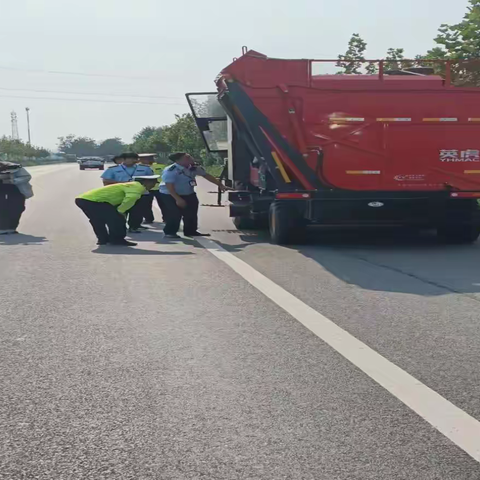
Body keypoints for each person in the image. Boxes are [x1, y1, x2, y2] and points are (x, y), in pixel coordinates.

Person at [75, 175, 160, 246]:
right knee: (117, 219)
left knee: (97, 220)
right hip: (94, 201)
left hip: (83, 199)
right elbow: (131, 198)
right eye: (153, 183)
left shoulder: (131, 184)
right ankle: (117, 239)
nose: (153, 185)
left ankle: (103, 240)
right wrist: (120, 211)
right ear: (146, 182)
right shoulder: (137, 186)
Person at [159, 152, 228, 238]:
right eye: (187, 158)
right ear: (178, 160)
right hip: (170, 194)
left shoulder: (194, 167)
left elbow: (206, 175)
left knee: (191, 212)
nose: (191, 158)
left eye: (190, 156)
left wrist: (220, 185)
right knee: (175, 213)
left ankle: (191, 231)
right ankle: (170, 232)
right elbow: (169, 186)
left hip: (188, 193)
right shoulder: (171, 170)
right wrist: (178, 199)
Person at [100, 152, 153, 233]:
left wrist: (147, 188)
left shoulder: (145, 168)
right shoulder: (113, 169)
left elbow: (151, 180)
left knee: (137, 211)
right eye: (131, 159)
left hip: (140, 194)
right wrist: (122, 183)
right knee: (121, 211)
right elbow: (106, 181)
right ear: (123, 160)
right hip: (120, 194)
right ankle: (120, 227)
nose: (133, 160)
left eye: (135, 159)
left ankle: (134, 227)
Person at [0, 161, 33, 235]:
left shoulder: (14, 167)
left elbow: (27, 176)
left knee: (17, 208)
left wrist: (12, 180)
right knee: (1, 208)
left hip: (16, 190)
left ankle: (12, 228)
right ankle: (2, 228)